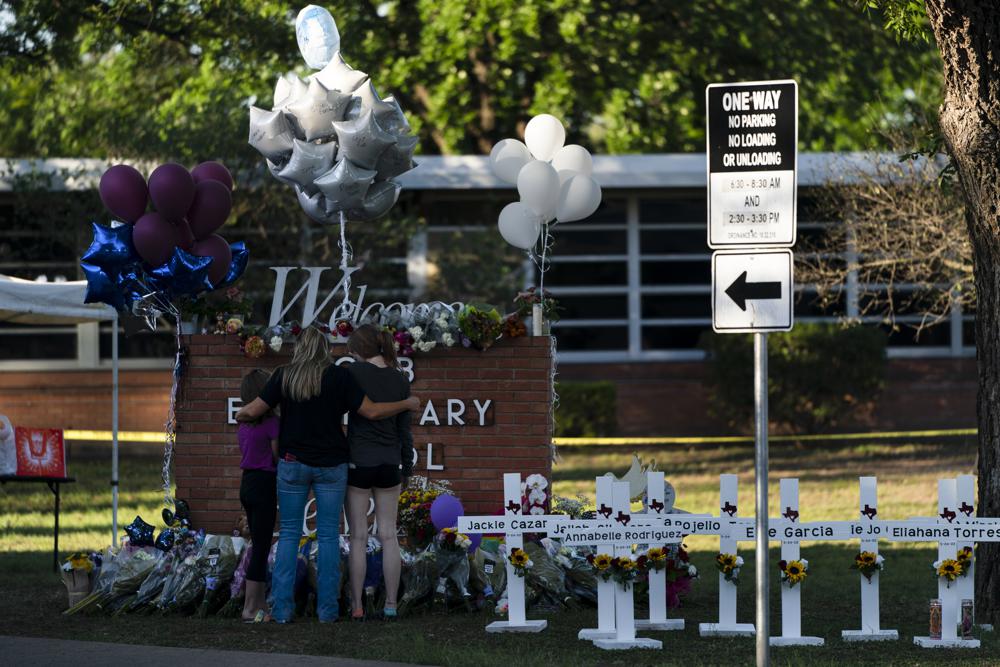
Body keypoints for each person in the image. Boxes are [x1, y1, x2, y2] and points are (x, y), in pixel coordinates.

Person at [235, 326, 419, 623]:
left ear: (298, 348)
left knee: (290, 534)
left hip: (292, 463)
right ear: (324, 348)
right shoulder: (339, 376)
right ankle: (328, 612)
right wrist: (407, 403)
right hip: (332, 465)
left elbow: (252, 410)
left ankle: (281, 611)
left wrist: (247, 415)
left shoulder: (284, 375)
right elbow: (371, 412)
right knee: (330, 535)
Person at [344, 324, 413, 621]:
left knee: (358, 536)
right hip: (390, 462)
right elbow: (404, 431)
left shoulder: (352, 373)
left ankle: (357, 604)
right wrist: (406, 467)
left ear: (358, 349)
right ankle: (391, 604)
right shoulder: (400, 379)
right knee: (389, 536)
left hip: (359, 460)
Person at [236, 368, 279, 623]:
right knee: (262, 547)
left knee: (258, 543)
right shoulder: (273, 424)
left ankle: (260, 604)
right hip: (264, 483)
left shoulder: (243, 424)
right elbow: (275, 455)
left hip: (247, 483)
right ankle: (250, 608)